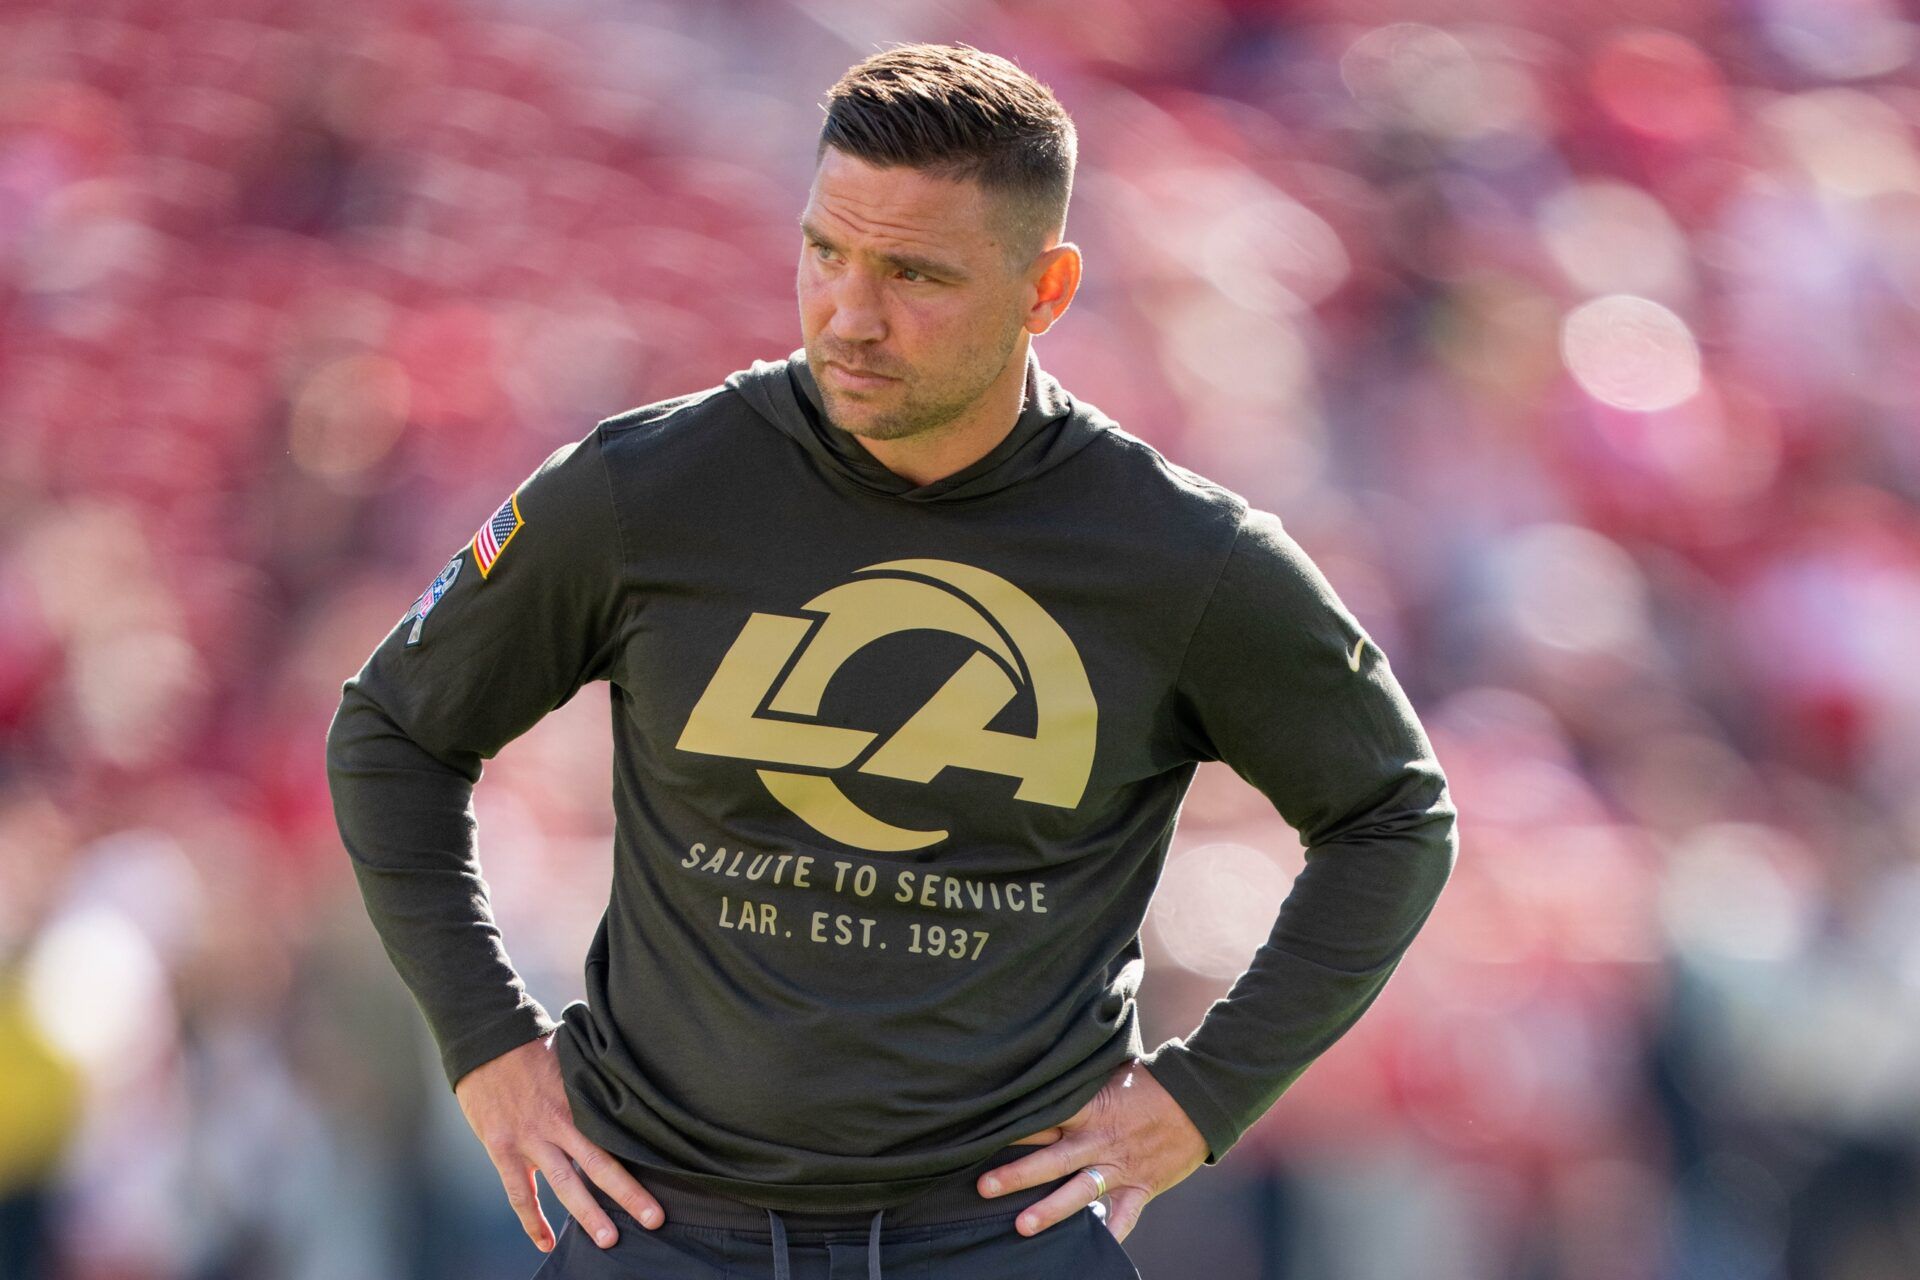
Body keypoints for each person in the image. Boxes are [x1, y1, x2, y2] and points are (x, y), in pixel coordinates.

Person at [325, 41, 1457, 1280]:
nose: (849, 315)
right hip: (654, 1233)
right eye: (825, 252)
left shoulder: (1185, 557)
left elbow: (1391, 815)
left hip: (996, 1244)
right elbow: (396, 731)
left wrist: (1203, 1098)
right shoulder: (645, 490)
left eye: (914, 273)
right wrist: (488, 1040)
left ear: (1047, 288)